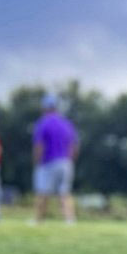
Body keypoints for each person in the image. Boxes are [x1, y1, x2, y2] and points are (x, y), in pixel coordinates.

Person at [32, 94, 78, 224]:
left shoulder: (42, 123)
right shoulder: (67, 123)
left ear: (45, 107)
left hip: (48, 162)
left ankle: (38, 220)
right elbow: (74, 145)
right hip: (66, 162)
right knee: (65, 193)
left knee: (42, 192)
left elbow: (39, 146)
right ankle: (70, 219)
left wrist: (37, 162)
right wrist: (70, 160)